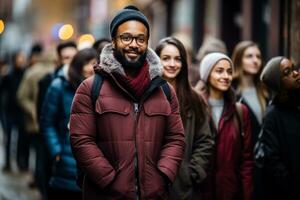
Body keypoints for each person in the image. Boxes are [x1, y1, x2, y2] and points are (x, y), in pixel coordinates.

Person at [69, 5, 185, 200]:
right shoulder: (90, 88)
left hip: (154, 195)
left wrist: (162, 175)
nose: (134, 44)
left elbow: (176, 138)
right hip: (106, 194)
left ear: (147, 43)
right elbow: (81, 140)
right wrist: (109, 180)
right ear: (114, 41)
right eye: (126, 38)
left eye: (141, 39)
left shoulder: (164, 90)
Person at [155, 37, 214, 200]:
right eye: (166, 58)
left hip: (184, 187)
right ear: (156, 60)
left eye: (177, 59)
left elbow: (205, 140)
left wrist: (192, 173)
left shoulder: (195, 99)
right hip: (151, 184)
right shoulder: (146, 96)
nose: (172, 64)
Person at [40, 48, 97, 200]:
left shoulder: (100, 89)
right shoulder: (59, 86)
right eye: (87, 63)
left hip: (92, 164)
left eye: (94, 63)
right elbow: (47, 123)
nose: (90, 68)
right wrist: (56, 151)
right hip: (65, 159)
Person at [199, 52, 253, 200]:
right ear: (207, 74)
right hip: (200, 191)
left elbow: (246, 160)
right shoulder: (195, 107)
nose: (226, 76)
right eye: (219, 71)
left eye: (229, 72)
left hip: (230, 192)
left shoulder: (240, 112)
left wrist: (247, 194)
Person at [231, 41, 269, 200]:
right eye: (249, 56)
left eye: (258, 57)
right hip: (242, 165)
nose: (255, 60)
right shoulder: (231, 91)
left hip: (266, 164)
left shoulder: (267, 90)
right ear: (239, 59)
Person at [259, 56, 300, 200]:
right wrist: (293, 188)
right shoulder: (273, 115)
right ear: (278, 83)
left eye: (294, 69)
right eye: (287, 72)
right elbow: (272, 160)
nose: (295, 73)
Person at [0, 51, 27, 172]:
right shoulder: (8, 74)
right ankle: (7, 162)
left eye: (22, 58)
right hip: (9, 110)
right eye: (19, 58)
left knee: (21, 138)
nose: (20, 61)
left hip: (21, 110)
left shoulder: (26, 74)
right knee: (9, 137)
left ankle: (20, 161)